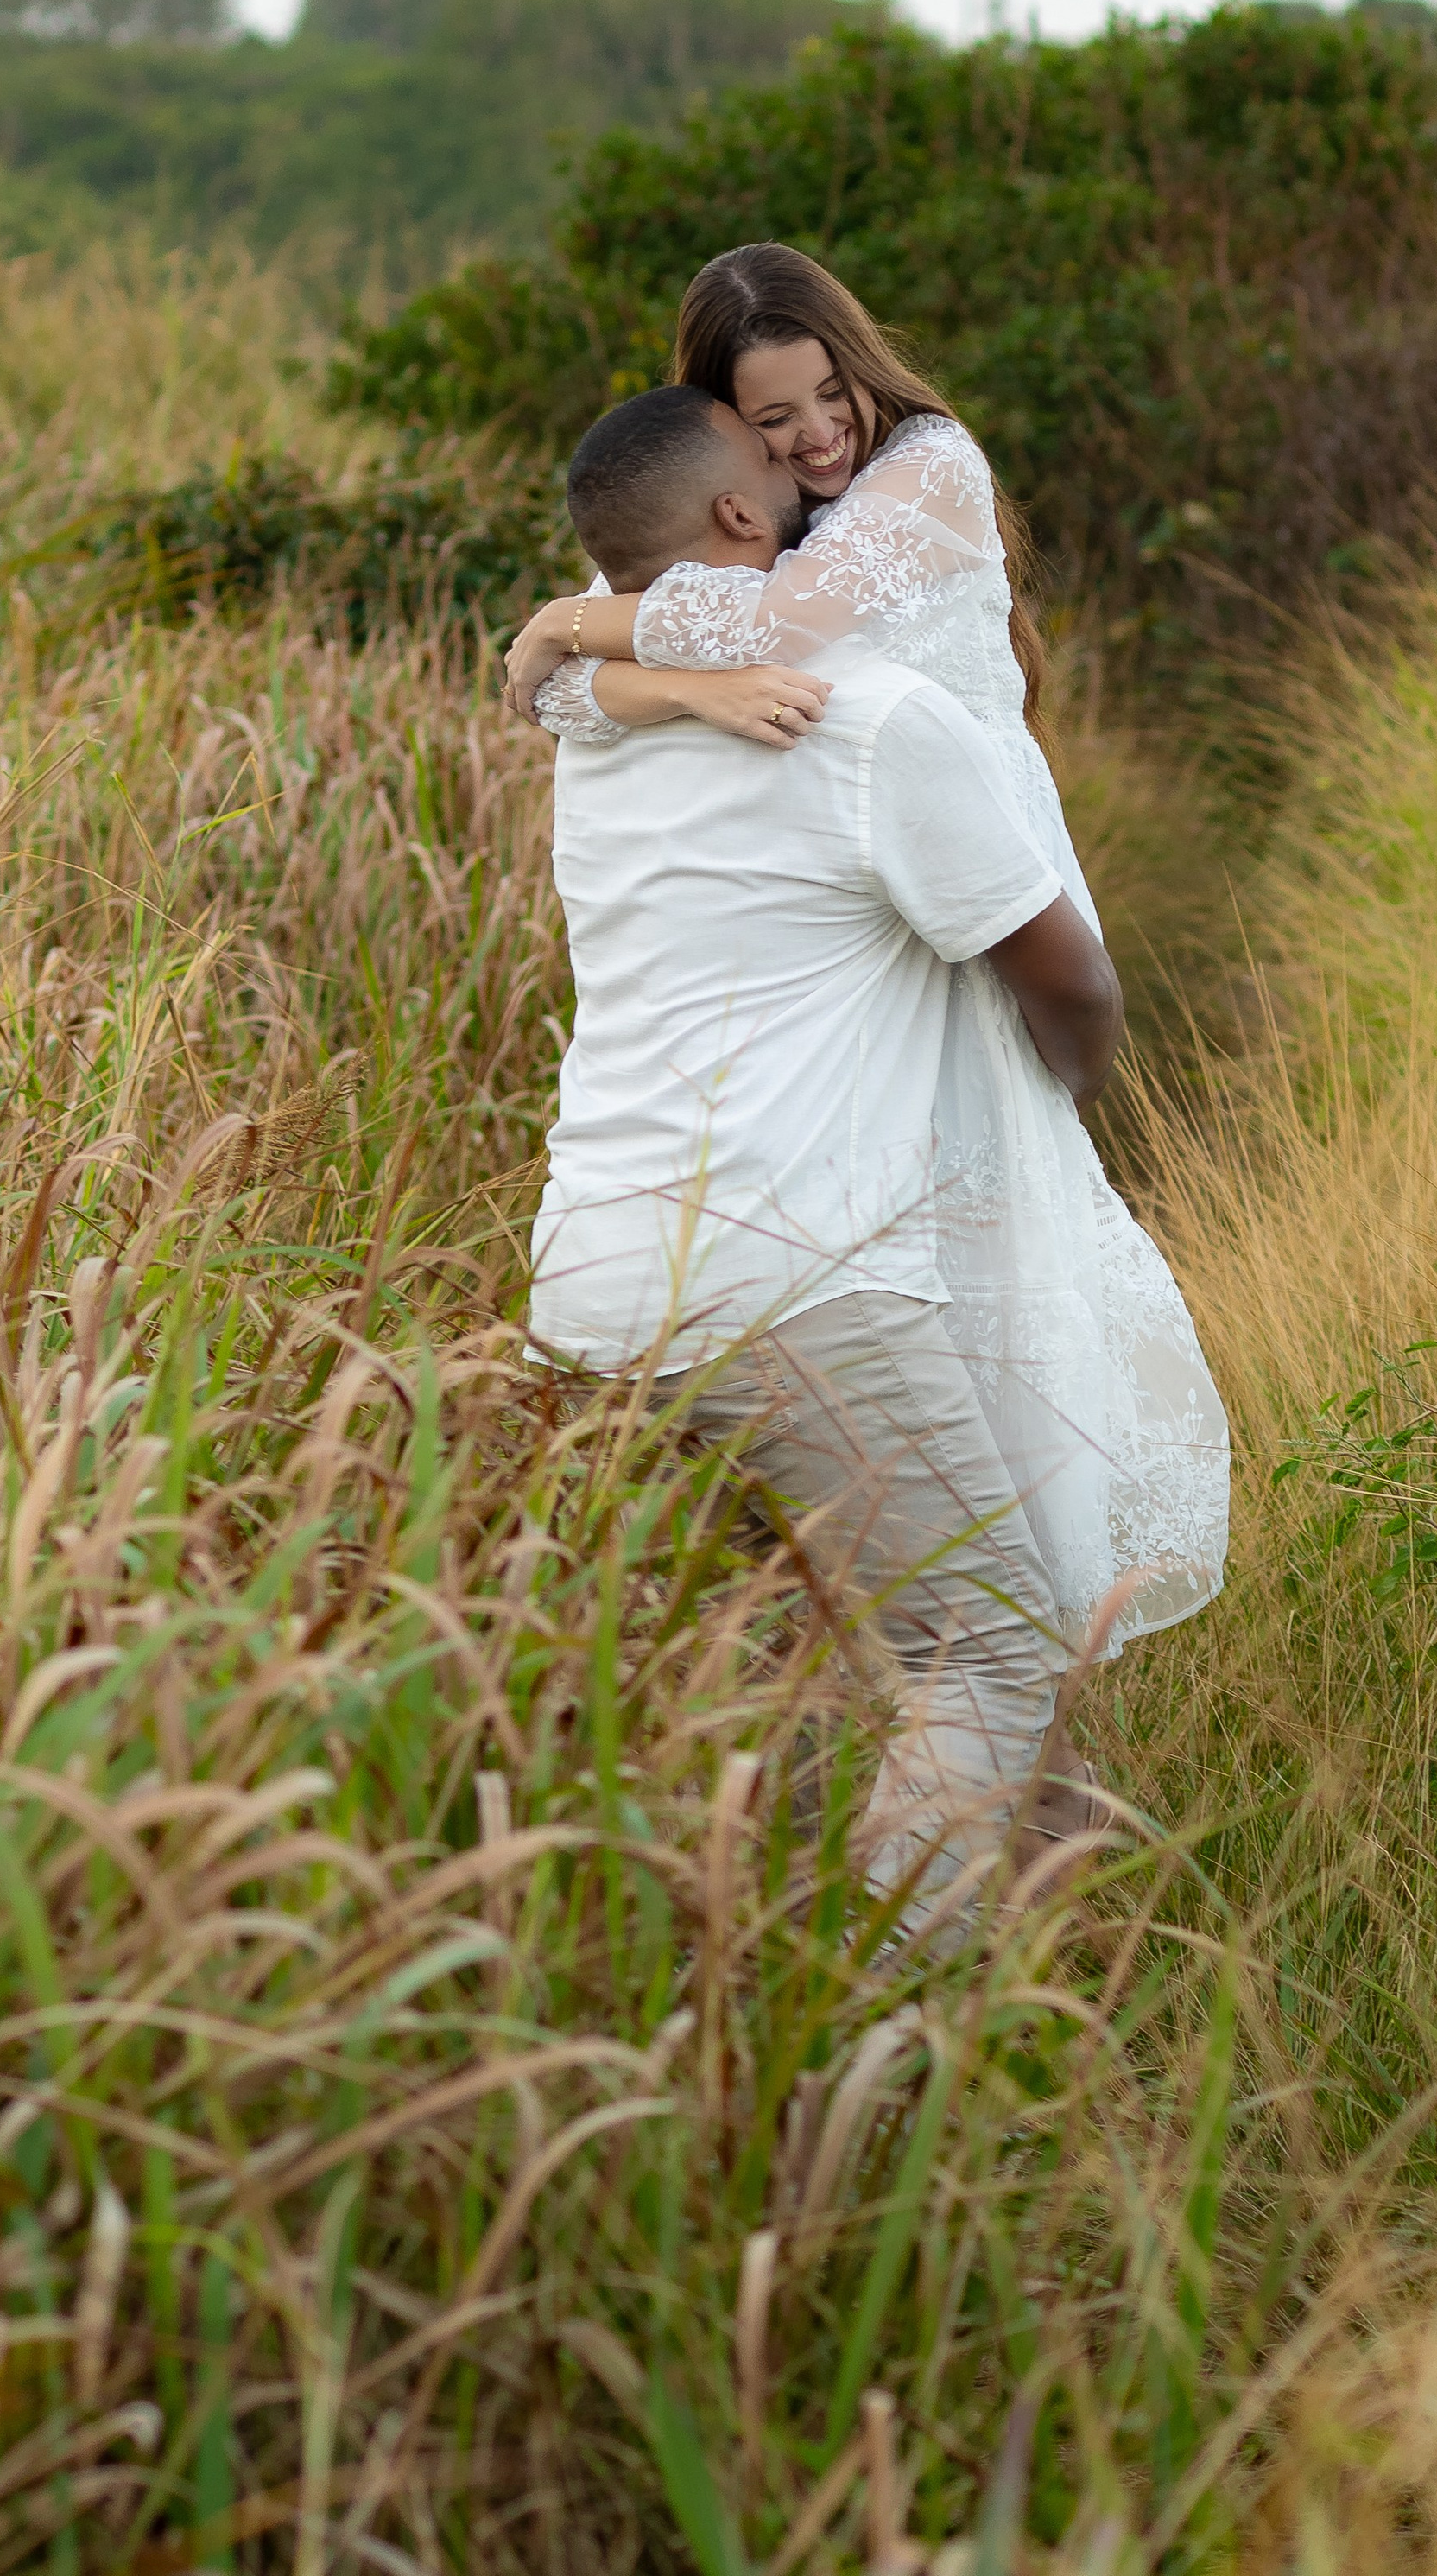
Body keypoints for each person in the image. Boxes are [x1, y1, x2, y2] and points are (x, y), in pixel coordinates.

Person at [510, 244, 1228, 1655]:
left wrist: (572, 618)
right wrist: (677, 690)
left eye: (828, 395)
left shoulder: (928, 468)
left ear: (860, 367)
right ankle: (963, 1647)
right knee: (917, 1242)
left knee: (1010, 1240)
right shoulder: (729, 533)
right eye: (773, 421)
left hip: (969, 861)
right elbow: (556, 703)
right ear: (729, 442)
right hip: (868, 884)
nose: (816, 438)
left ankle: (1018, 1631)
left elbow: (768, 626)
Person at [527, 382, 1124, 1925]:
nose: (813, 471)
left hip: (594, 1281)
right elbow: (1067, 975)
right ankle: (891, 2037)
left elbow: (559, 678)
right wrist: (1069, 1096)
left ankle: (748, 1984)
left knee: (775, 1665)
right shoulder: (871, 719)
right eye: (769, 452)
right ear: (743, 515)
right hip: (794, 1278)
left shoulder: (600, 729)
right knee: (985, 1654)